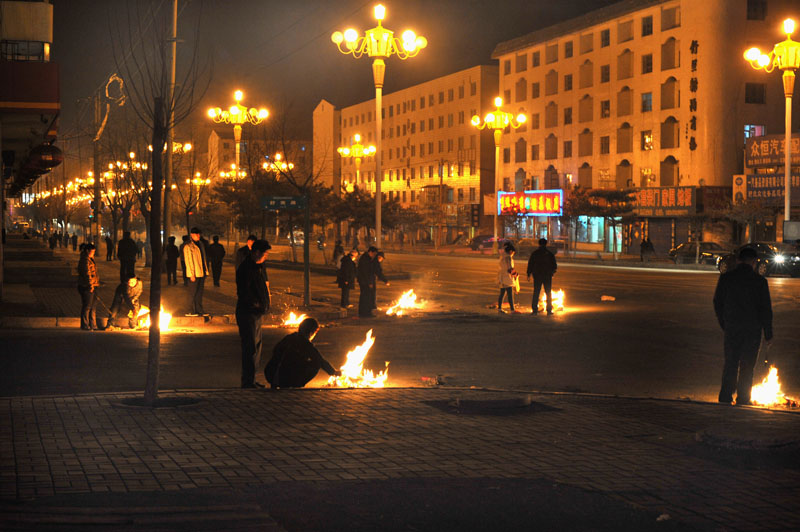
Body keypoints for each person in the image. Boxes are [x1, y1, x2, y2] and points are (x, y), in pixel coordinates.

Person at [713, 246, 773, 406]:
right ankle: (743, 398)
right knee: (747, 365)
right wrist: (768, 333)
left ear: (739, 260)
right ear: (754, 262)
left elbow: (717, 302)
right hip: (752, 330)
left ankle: (725, 396)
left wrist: (724, 322)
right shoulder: (760, 282)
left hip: (732, 327)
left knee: (731, 362)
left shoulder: (726, 278)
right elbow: (765, 309)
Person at [264, 318, 340, 388]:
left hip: (270, 374)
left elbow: (275, 350)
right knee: (316, 364)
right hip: (285, 378)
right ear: (312, 332)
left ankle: (279, 382)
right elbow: (320, 361)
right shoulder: (305, 344)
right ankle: (295, 384)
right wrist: (334, 372)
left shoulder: (290, 337)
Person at [236, 239, 272, 388]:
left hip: (256, 313)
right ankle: (247, 381)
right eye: (265, 254)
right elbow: (244, 292)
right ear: (257, 252)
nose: (266, 257)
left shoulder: (258, 267)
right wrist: (255, 304)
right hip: (248, 313)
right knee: (250, 347)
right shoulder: (246, 269)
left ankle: (252, 379)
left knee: (256, 347)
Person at [527, 238, 558, 315]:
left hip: (537, 275)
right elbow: (554, 265)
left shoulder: (535, 253)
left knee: (536, 292)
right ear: (546, 244)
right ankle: (549, 310)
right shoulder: (549, 254)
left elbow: (530, 264)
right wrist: (552, 272)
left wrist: (529, 273)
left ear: (539, 244)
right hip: (547, 275)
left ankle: (534, 310)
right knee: (548, 292)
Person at [184, 227, 210, 316]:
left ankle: (199, 310)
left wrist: (206, 270)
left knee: (199, 293)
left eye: (199, 234)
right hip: (194, 273)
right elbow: (189, 261)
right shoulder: (188, 246)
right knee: (192, 293)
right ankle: (190, 310)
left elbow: (204, 259)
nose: (198, 235)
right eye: (196, 234)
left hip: (201, 272)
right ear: (192, 235)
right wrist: (191, 274)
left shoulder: (201, 244)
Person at [77, 243, 99, 330]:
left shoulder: (90, 259)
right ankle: (85, 325)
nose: (93, 253)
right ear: (87, 251)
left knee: (93, 306)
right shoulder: (84, 260)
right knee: (87, 306)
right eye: (92, 251)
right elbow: (87, 274)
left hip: (94, 284)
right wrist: (90, 285)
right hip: (86, 286)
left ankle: (93, 324)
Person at [497, 243, 518, 313]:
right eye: (513, 252)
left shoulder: (502, 256)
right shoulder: (508, 257)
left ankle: (499, 308)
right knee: (510, 293)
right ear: (510, 251)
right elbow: (510, 268)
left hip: (502, 277)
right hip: (507, 278)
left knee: (502, 293)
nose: (513, 254)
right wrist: (515, 274)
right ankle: (512, 309)